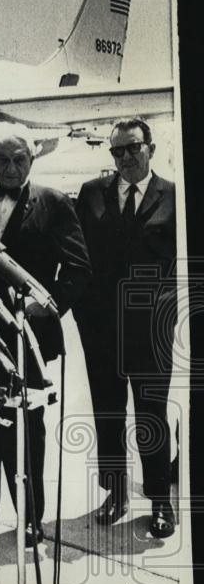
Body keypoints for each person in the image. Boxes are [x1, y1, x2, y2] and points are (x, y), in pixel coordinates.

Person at [0, 135, 90, 546]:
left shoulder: (54, 202)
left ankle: (30, 516)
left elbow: (79, 269)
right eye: (2, 160)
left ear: (32, 160)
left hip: (25, 335)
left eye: (18, 160)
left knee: (26, 428)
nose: (10, 168)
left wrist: (43, 307)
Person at [73, 118, 176, 539]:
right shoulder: (91, 194)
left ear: (150, 147)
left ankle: (159, 501)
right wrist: (81, 310)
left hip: (151, 330)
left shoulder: (173, 195)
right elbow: (76, 252)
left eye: (133, 148)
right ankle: (114, 493)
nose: (126, 158)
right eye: (118, 152)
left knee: (151, 415)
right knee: (108, 412)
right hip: (101, 329)